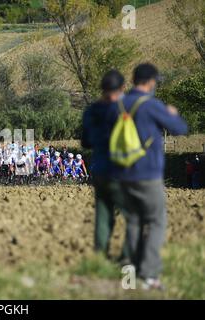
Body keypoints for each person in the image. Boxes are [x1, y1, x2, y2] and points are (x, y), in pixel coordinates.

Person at [107, 63, 188, 290]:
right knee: (156, 221)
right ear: (151, 81)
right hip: (147, 173)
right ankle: (149, 276)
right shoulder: (151, 105)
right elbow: (180, 128)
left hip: (123, 173)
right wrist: (172, 114)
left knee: (133, 222)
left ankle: (129, 276)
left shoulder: (118, 105)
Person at [82, 70, 128, 258]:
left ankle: (99, 258)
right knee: (132, 217)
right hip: (122, 169)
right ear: (122, 88)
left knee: (103, 214)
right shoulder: (125, 109)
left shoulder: (91, 111)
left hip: (100, 169)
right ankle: (127, 260)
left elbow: (85, 143)